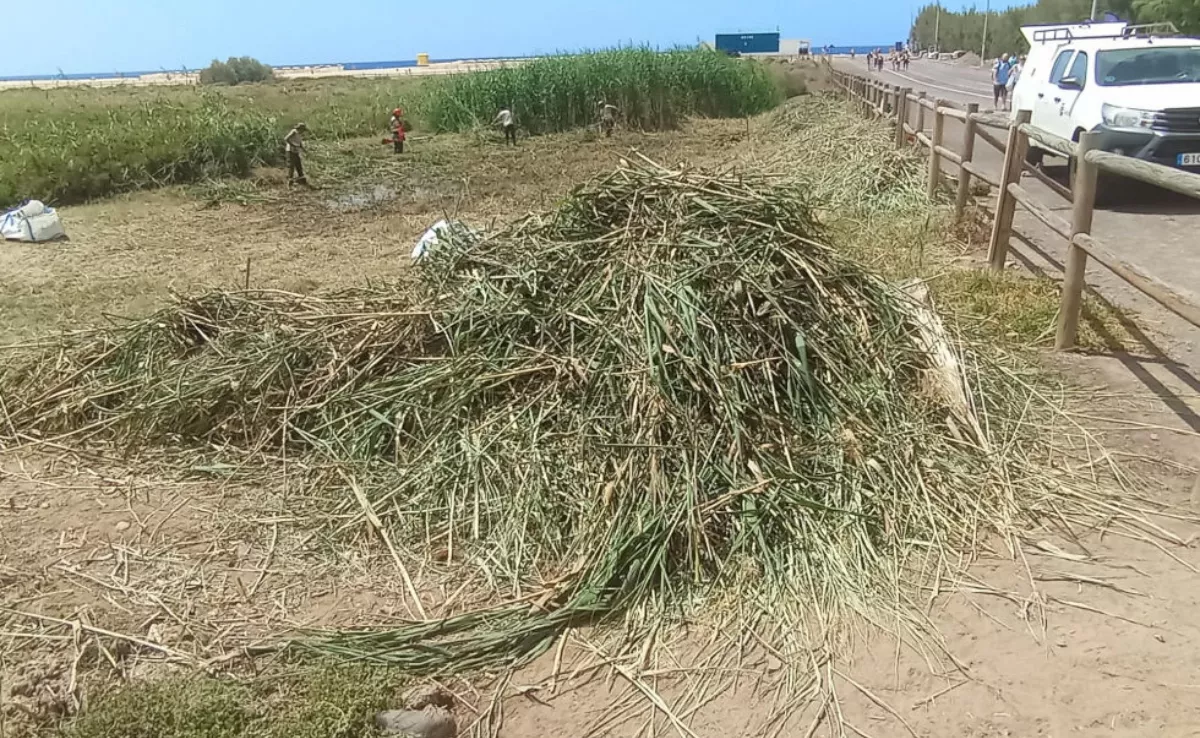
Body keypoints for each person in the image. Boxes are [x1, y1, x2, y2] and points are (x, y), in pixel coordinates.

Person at [284, 122, 308, 187]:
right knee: (291, 166)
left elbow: (299, 143)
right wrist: (292, 145)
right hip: (290, 151)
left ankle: (302, 180)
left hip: (295, 151)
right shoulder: (294, 132)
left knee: (298, 165)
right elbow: (286, 138)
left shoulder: (300, 134)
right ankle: (290, 181)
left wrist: (303, 149)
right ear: (300, 129)